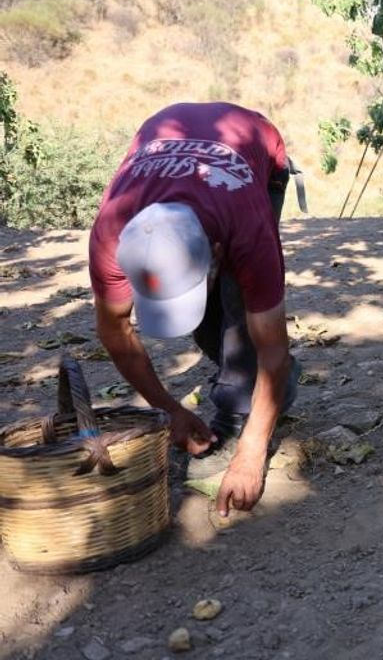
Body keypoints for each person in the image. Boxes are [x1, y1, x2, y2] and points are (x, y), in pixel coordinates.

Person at [89, 102, 300, 517]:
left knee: (240, 309)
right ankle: (252, 385)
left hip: (255, 146)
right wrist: (169, 411)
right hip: (167, 133)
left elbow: (273, 348)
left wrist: (251, 454)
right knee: (209, 322)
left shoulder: (246, 226)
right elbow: (114, 331)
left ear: (217, 252)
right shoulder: (111, 233)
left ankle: (239, 408)